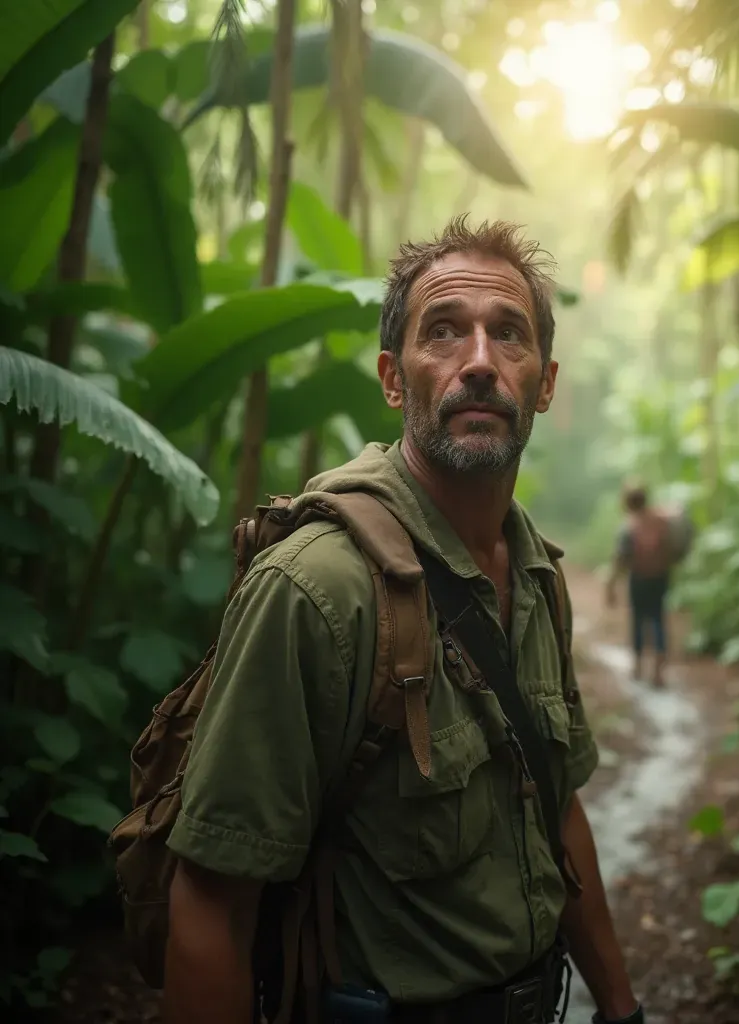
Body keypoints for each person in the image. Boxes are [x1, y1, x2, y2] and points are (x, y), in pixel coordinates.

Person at [161, 216, 643, 1024]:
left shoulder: (537, 575)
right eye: (444, 333)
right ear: (393, 378)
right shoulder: (319, 589)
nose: (480, 363)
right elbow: (212, 901)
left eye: (509, 336)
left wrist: (622, 1010)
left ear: (545, 384)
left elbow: (557, 807)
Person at [605, 482, 677, 688]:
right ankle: (658, 673)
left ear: (627, 502)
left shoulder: (629, 526)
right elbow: (672, 549)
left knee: (638, 620)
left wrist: (611, 585)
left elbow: (620, 557)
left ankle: (637, 667)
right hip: (661, 577)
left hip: (638, 579)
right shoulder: (661, 520)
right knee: (658, 619)